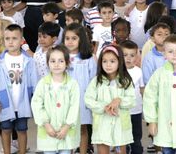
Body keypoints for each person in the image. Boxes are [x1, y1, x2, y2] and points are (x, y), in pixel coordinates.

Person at [0, 24, 38, 154]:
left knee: (22, 129)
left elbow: (35, 81)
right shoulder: (1, 61)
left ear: (22, 41)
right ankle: (7, 152)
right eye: (7, 38)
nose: (10, 42)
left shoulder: (28, 60)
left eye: (14, 38)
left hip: (22, 101)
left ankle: (22, 151)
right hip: (5, 102)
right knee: (5, 129)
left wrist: (37, 99)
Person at [84, 45, 135, 154]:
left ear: (119, 62)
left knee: (121, 151)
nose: (108, 65)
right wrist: (104, 107)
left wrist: (119, 100)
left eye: (112, 61)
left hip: (120, 125)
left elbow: (132, 100)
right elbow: (88, 100)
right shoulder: (96, 81)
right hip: (102, 124)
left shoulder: (125, 81)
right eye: (104, 61)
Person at [31, 45, 81, 154]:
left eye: (61, 61)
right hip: (48, 132)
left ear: (67, 63)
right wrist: (46, 124)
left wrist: (67, 126)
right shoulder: (42, 83)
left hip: (66, 133)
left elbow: (74, 107)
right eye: (52, 61)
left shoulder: (73, 84)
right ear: (47, 63)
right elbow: (36, 105)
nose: (56, 64)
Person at [63, 23, 96, 154]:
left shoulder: (88, 58)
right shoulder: (61, 57)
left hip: (82, 100)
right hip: (65, 99)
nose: (70, 42)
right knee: (67, 128)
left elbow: (93, 80)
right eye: (67, 38)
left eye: (74, 38)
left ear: (81, 39)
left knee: (82, 128)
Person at [119, 40, 144, 154]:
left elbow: (142, 89)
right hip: (122, 111)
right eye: (125, 55)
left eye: (132, 55)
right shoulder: (117, 72)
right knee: (122, 136)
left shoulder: (139, 71)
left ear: (136, 57)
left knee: (136, 136)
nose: (128, 58)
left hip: (136, 110)